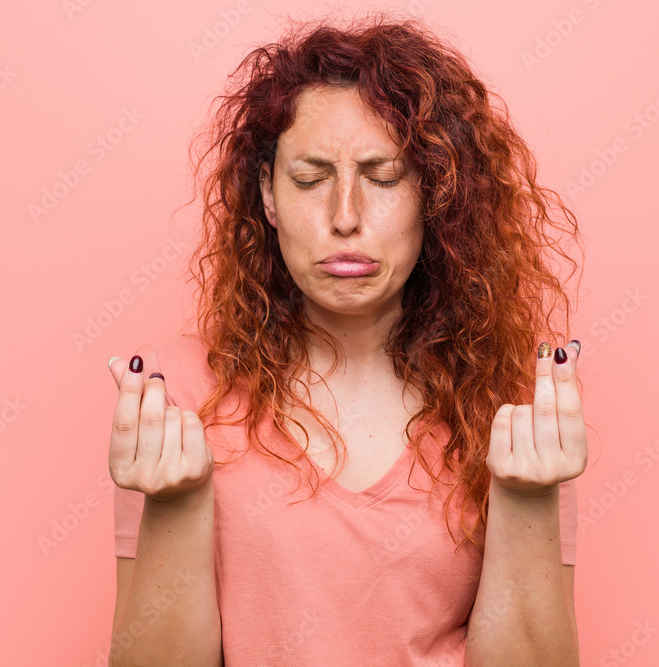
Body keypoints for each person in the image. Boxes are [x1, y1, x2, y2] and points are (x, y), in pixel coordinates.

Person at [106, 13, 587, 667]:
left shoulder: (514, 406)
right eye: (310, 178)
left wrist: (527, 500)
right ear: (269, 199)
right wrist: (175, 505)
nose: (345, 217)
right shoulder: (175, 395)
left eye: (383, 177)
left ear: (433, 195)